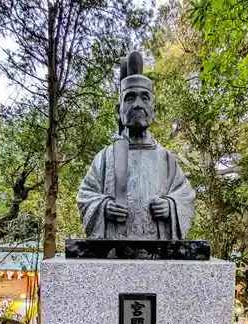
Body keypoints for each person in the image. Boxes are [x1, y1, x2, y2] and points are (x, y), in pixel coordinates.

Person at [77, 51, 195, 240]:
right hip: (114, 254)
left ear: (153, 111)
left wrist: (171, 206)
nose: (138, 105)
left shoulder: (167, 160)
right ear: (119, 111)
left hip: (158, 255)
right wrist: (104, 207)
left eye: (145, 98)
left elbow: (186, 196)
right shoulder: (106, 158)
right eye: (130, 98)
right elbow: (85, 195)